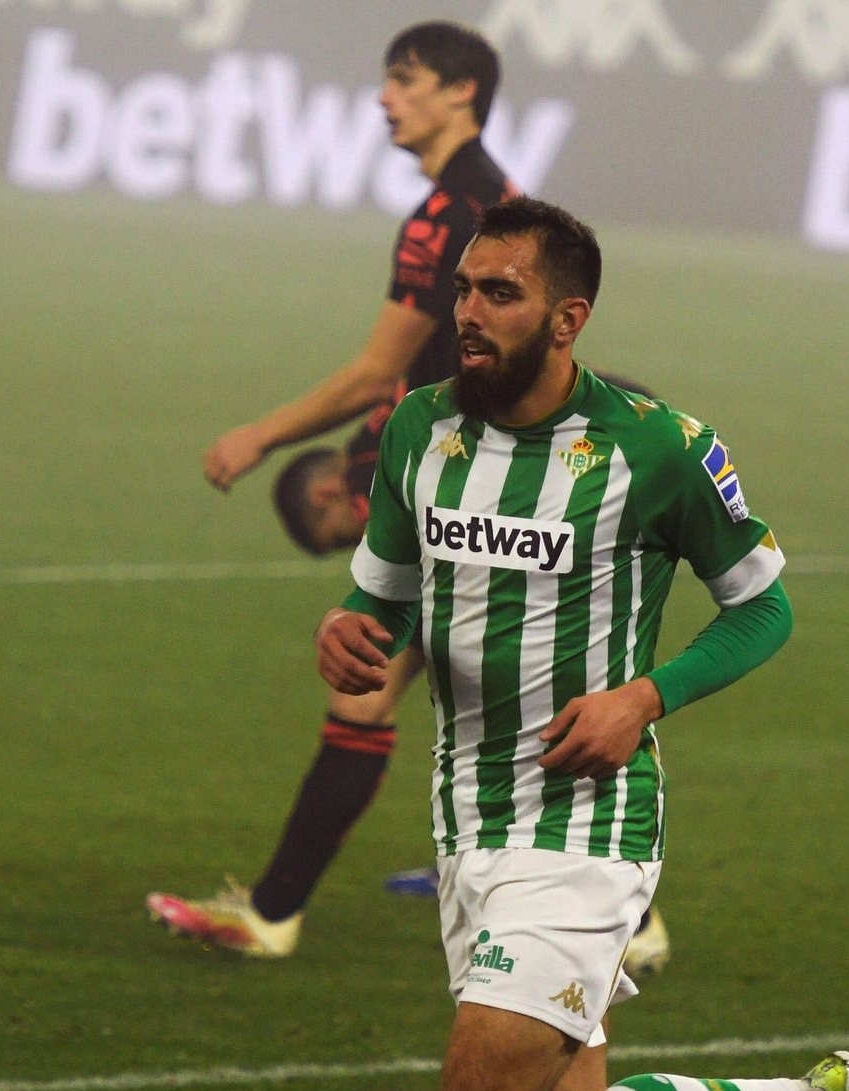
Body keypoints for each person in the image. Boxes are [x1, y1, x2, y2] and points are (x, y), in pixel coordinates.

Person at [153, 20, 666, 976]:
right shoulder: (500, 201)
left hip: (472, 487)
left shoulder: (447, 219)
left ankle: (275, 914)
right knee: (462, 690)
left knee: (390, 688)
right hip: (503, 477)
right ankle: (612, 909)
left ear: (460, 92)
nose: (386, 97)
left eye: (406, 79)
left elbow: (375, 371)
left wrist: (261, 434)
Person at [314, 196, 822, 1091]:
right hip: (465, 813)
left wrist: (644, 697)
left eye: (500, 293)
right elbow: (384, 596)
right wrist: (353, 629)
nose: (469, 312)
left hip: (587, 822)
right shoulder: (418, 430)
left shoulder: (658, 447)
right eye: (464, 289)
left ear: (567, 319)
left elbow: (762, 607)